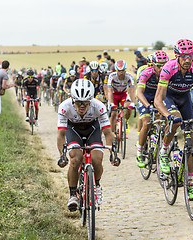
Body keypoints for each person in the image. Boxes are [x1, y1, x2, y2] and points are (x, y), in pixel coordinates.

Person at [154, 39, 193, 200]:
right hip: (169, 97)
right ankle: (164, 152)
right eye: (184, 57)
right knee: (177, 120)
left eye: (190, 56)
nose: (188, 60)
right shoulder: (168, 68)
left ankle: (190, 183)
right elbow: (158, 99)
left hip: (185, 98)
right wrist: (167, 115)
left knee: (191, 140)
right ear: (177, 56)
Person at [57, 79, 120, 211]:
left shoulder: (99, 106)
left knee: (97, 160)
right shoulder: (64, 107)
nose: (82, 107)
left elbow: (108, 133)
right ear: (72, 100)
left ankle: (96, 185)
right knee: (75, 159)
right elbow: (61, 135)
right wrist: (62, 156)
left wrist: (112, 154)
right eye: (79, 103)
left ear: (91, 101)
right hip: (74, 131)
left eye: (85, 103)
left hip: (93, 130)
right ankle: (73, 195)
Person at [136, 51, 169, 167]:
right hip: (145, 98)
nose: (162, 68)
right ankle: (139, 151)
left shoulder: (168, 74)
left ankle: (161, 147)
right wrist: (147, 106)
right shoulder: (146, 73)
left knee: (166, 120)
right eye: (159, 65)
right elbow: (139, 93)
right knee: (146, 122)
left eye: (164, 65)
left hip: (157, 99)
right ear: (153, 64)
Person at [107, 60, 136, 134]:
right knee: (113, 114)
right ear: (116, 70)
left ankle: (125, 121)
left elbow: (132, 90)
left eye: (123, 71)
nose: (121, 73)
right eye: (119, 71)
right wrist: (110, 103)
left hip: (124, 94)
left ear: (125, 70)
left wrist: (133, 102)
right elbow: (109, 90)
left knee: (128, 107)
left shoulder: (129, 76)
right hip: (114, 95)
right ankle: (112, 134)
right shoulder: (112, 76)